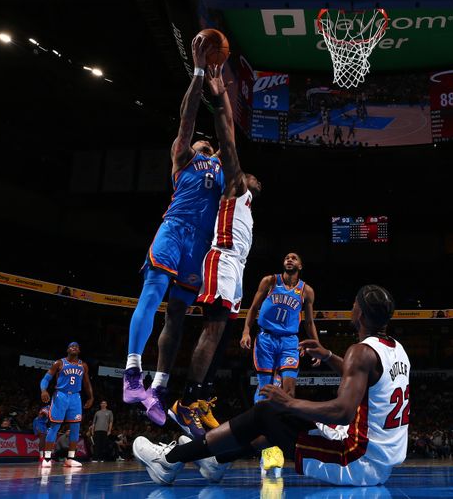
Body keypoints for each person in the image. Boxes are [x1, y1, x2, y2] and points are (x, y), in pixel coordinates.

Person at [133, 285, 410, 487]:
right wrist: (327, 356)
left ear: (359, 313)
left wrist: (288, 402)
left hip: (354, 461)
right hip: (378, 462)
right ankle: (218, 460)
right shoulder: (396, 350)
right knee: (283, 419)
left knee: (267, 412)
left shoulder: (360, 352)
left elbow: (343, 411)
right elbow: (364, 378)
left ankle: (169, 460)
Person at [123, 37, 227, 426]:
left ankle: (159, 387)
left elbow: (229, 134)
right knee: (152, 293)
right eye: (201, 141)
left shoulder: (221, 167)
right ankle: (132, 373)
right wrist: (199, 73)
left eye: (208, 142)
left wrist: (221, 97)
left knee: (179, 316)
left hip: (200, 245)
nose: (205, 142)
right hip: (175, 229)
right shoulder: (184, 157)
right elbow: (186, 118)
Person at [166, 64, 262, 438]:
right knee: (213, 327)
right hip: (220, 258)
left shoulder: (248, 200)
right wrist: (222, 97)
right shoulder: (233, 185)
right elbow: (228, 139)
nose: (248, 174)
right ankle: (187, 401)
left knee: (222, 332)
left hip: (236, 267)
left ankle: (203, 397)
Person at [240, 253, 320, 473]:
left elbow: (310, 322)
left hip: (289, 340)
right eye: (287, 257)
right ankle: (268, 448)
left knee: (289, 391)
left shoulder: (306, 291)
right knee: (266, 390)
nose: (290, 259)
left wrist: (317, 346)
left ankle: (277, 441)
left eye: (295, 258)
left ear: (300, 265)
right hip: (265, 337)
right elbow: (254, 308)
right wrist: (246, 331)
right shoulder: (270, 281)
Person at [39, 342, 94, 468]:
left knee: (75, 427)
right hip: (61, 395)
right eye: (71, 346)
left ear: (79, 351)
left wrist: (91, 397)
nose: (74, 347)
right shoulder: (59, 363)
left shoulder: (83, 365)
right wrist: (43, 390)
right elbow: (46, 379)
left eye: (76, 347)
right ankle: (47, 458)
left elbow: (87, 383)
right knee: (55, 426)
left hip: (75, 397)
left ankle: (70, 459)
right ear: (67, 349)